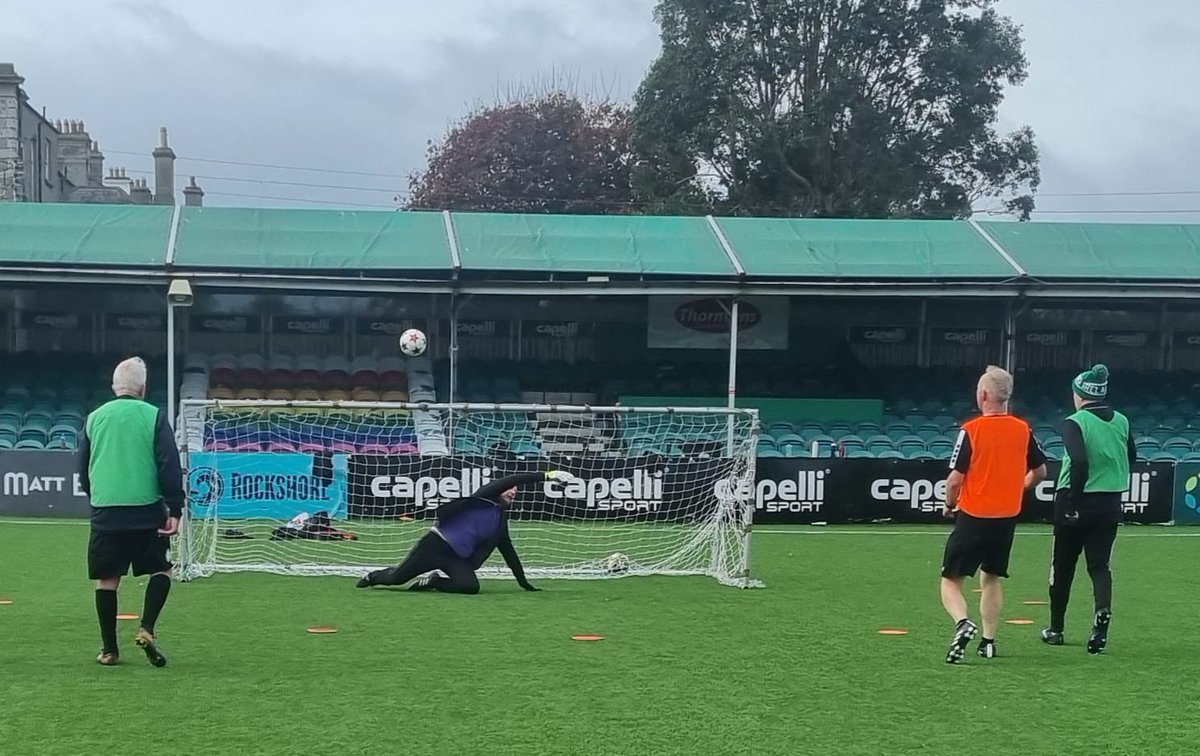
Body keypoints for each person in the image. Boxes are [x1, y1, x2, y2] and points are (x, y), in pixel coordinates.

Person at [78, 357, 185, 667]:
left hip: (106, 512)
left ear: (114, 387)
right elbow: (169, 465)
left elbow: (83, 467)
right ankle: (147, 628)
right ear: (143, 388)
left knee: (107, 580)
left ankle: (109, 650)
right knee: (161, 570)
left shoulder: (94, 418)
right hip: (146, 511)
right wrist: (174, 508)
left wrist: (95, 497)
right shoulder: (153, 416)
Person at [940, 366, 1047, 663]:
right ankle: (988, 641)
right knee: (991, 577)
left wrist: (950, 503)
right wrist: (1019, 488)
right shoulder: (1022, 429)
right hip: (1005, 518)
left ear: (983, 394)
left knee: (950, 580)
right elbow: (1040, 472)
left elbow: (954, 480)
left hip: (974, 515)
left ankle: (963, 622)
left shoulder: (971, 431)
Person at [1040, 364, 1134, 654]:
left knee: (1063, 565)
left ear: (1079, 394)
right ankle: (1101, 622)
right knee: (1099, 565)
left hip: (1077, 499)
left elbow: (1078, 461)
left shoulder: (1075, 422)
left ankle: (1056, 629)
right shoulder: (1121, 420)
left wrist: (1072, 500)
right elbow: (1132, 454)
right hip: (1110, 501)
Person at [357, 470, 574, 594]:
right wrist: (547, 475)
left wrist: (523, 583)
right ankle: (372, 576)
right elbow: (511, 480)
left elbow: (508, 552)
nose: (513, 491)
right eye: (510, 490)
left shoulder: (500, 522)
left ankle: (433, 581)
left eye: (515, 492)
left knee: (470, 587)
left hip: (456, 558)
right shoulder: (483, 497)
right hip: (434, 545)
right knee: (397, 579)